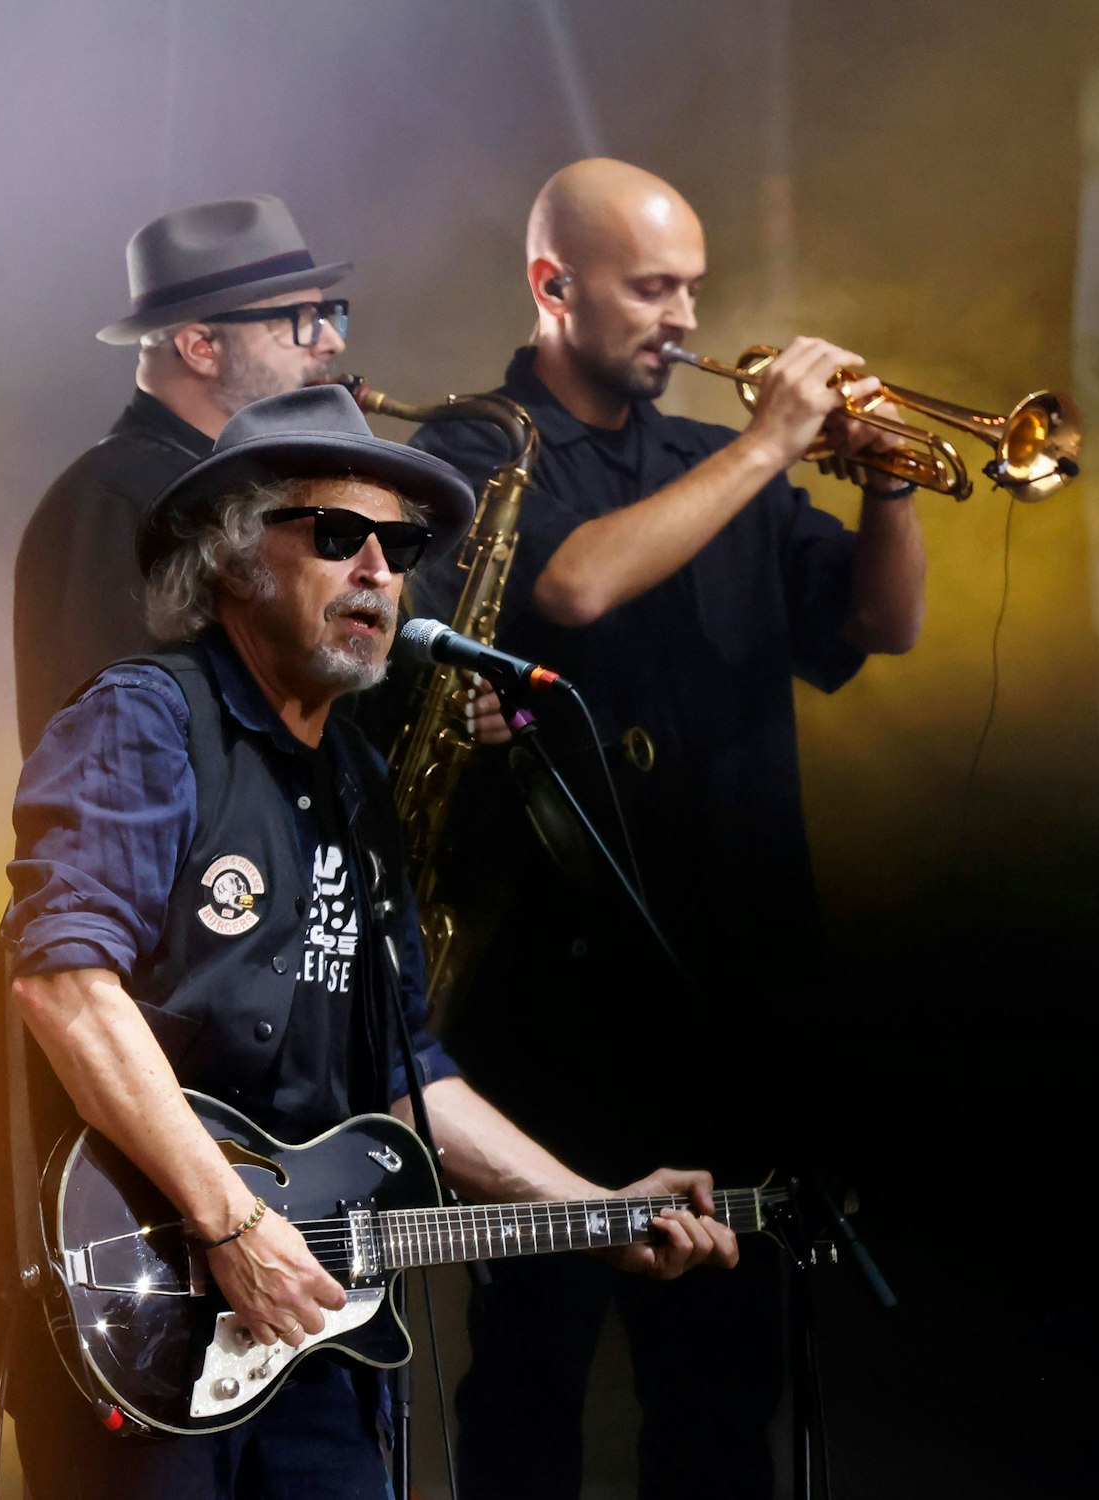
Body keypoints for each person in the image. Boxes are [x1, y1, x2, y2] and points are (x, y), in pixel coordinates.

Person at [0, 384, 741, 1500]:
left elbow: (406, 1072)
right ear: (229, 561)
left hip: (300, 1318)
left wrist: (588, 1209)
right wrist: (230, 1223)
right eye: (335, 534)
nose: (378, 569)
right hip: (131, 1291)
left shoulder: (352, 782)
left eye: (398, 543)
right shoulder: (144, 718)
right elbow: (67, 987)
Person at [403, 158, 927, 1499]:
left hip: (727, 998)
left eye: (692, 285)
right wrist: (771, 449)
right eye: (650, 288)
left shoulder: (715, 462)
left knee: (722, 1397)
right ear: (552, 286)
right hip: (548, 1011)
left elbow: (879, 627)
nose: (684, 317)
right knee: (532, 1379)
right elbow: (572, 587)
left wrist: (889, 483)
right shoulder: (474, 446)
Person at [12, 193, 352, 754]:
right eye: (300, 321)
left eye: (327, 314)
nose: (333, 340)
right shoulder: (109, 500)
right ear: (200, 347)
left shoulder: (238, 483)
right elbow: (106, 758)